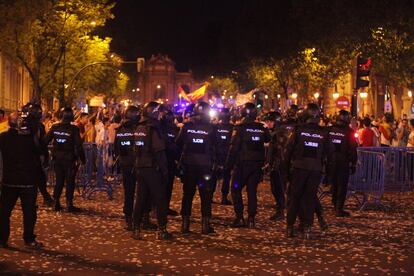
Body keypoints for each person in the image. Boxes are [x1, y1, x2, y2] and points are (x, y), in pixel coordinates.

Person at [285, 103, 330, 239]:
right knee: (309, 198)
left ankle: (290, 227)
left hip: (299, 168)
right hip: (315, 170)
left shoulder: (298, 130)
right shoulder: (323, 133)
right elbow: (328, 153)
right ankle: (307, 227)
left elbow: (288, 150)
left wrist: (286, 170)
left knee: (294, 198)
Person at [0, 112, 43, 248]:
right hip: (28, 181)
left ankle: (2, 239)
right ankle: (29, 238)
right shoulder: (31, 139)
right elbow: (40, 152)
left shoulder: (3, 137)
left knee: (4, 211)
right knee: (29, 212)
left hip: (9, 180)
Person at [226, 102, 270, 228]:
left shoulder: (239, 128)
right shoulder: (262, 128)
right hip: (256, 165)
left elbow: (233, 148)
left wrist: (228, 166)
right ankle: (251, 218)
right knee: (252, 191)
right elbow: (268, 139)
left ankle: (239, 217)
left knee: (235, 190)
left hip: (241, 165)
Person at [176, 102, 218, 234]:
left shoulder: (187, 126)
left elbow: (178, 143)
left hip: (189, 165)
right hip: (205, 166)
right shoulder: (211, 128)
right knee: (205, 195)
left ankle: (185, 225)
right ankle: (205, 225)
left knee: (187, 195)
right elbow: (217, 146)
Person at [132, 101, 172, 240]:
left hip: (140, 166)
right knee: (160, 198)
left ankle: (136, 228)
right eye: (159, 112)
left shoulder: (139, 127)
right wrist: (165, 170)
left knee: (141, 198)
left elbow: (136, 148)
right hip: (152, 167)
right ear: (154, 112)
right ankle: (162, 229)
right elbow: (159, 151)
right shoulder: (153, 128)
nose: (161, 115)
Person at [44, 107, 85, 212]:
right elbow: (79, 145)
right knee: (70, 181)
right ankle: (69, 204)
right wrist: (83, 159)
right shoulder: (74, 129)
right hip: (69, 160)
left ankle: (56, 202)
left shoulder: (55, 127)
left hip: (57, 159)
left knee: (59, 181)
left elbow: (45, 141)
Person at [114, 106, 140, 231]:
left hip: (126, 165)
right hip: (139, 165)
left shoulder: (120, 130)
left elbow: (116, 149)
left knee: (128, 192)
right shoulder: (139, 129)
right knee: (141, 193)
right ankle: (140, 218)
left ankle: (128, 218)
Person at [327, 110, 357, 217]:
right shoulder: (349, 132)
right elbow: (353, 149)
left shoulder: (330, 129)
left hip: (330, 161)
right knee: (342, 185)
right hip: (343, 161)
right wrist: (354, 163)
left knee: (334, 184)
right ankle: (339, 208)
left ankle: (335, 204)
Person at [25, 103, 54, 207]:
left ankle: (45, 198)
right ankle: (43, 199)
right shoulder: (33, 125)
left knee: (38, 178)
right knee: (36, 179)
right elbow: (41, 142)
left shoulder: (34, 125)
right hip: (32, 156)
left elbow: (42, 142)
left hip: (31, 156)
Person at [265, 111, 286, 221]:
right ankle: (280, 209)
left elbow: (277, 149)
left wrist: (271, 163)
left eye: (269, 121)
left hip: (279, 164)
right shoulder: (278, 131)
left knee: (278, 188)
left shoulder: (278, 133)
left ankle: (280, 210)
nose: (267, 123)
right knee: (276, 188)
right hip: (278, 163)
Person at [160, 109, 180, 216]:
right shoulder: (171, 129)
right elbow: (176, 145)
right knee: (166, 186)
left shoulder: (159, 127)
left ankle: (162, 207)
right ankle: (163, 207)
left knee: (163, 186)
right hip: (168, 160)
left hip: (163, 160)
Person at [214, 108, 233, 205]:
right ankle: (224, 197)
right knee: (226, 176)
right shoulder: (232, 127)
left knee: (213, 176)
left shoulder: (215, 127)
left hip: (217, 154)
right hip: (226, 155)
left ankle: (210, 196)